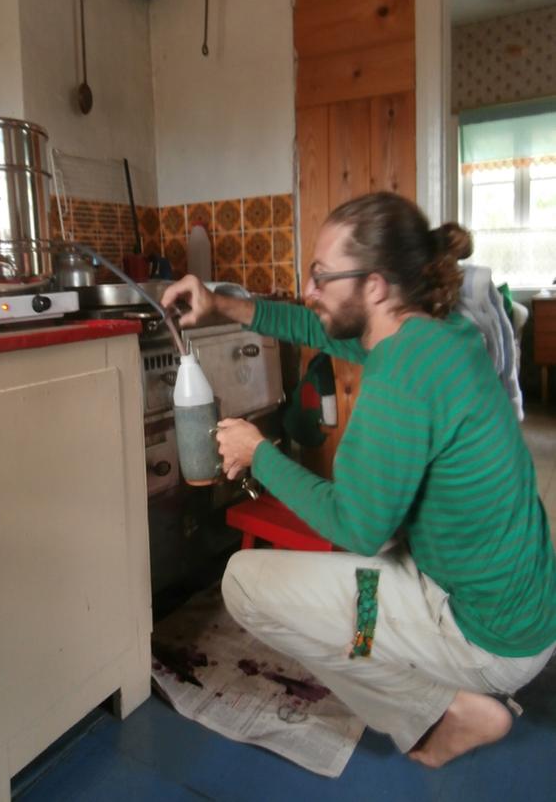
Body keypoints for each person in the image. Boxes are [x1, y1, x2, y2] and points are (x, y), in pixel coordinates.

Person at [160, 192, 556, 768]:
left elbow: (356, 527)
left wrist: (260, 453)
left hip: (486, 637)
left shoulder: (400, 380)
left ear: (374, 286)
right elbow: (319, 329)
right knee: (360, 598)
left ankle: (441, 711)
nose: (309, 290)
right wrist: (221, 304)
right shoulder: (436, 335)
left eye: (321, 277)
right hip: (522, 608)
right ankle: (388, 648)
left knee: (243, 582)